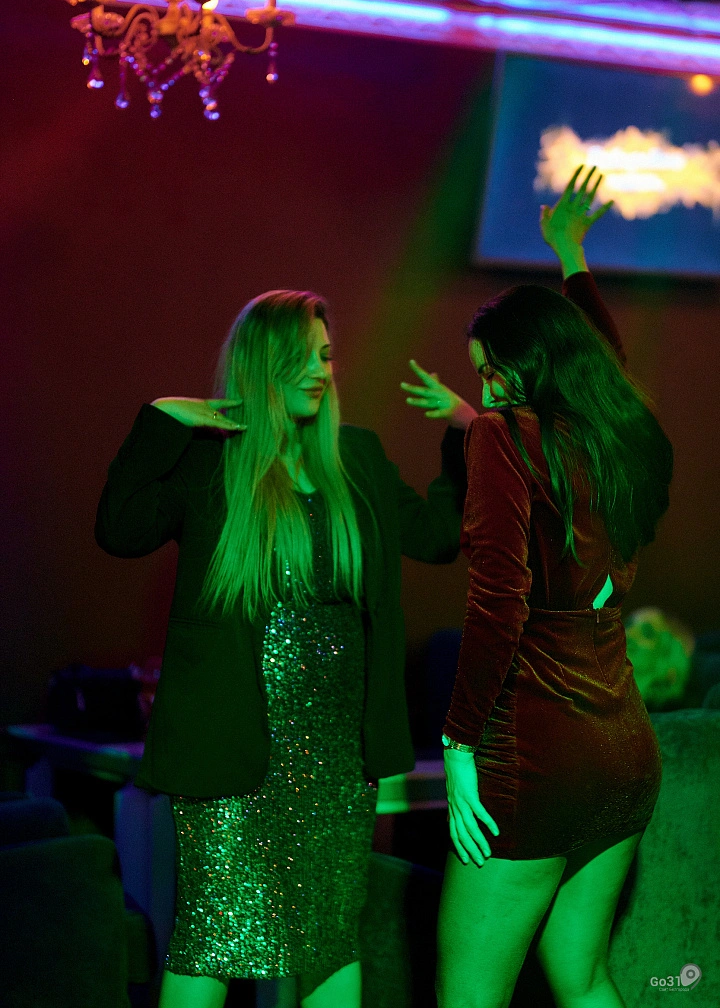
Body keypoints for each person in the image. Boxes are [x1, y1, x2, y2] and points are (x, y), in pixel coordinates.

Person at [95, 289, 476, 1008]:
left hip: (337, 757)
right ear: (262, 364)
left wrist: (466, 433)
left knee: (330, 937)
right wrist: (165, 417)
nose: (319, 370)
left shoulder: (357, 457)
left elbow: (438, 537)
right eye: (301, 357)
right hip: (230, 747)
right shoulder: (212, 462)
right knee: (213, 938)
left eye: (325, 356)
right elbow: (119, 528)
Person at [436, 167, 673, 1008]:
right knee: (584, 979)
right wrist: (572, 255)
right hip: (624, 750)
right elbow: (602, 366)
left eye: (491, 375)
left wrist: (458, 747)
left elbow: (498, 603)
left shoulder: (502, 437)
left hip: (537, 754)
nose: (485, 396)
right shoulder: (616, 439)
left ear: (526, 368)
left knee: (469, 996)